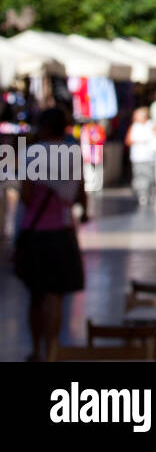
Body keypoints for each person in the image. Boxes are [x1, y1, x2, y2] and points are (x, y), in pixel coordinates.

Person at [13, 107, 86, 361]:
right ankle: (53, 351)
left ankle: (36, 349)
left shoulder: (31, 154)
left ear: (44, 127)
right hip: (63, 231)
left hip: (35, 233)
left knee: (36, 295)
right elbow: (81, 193)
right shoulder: (72, 155)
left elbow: (26, 196)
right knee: (55, 295)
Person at [125, 107, 156, 207]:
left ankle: (150, 192)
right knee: (139, 176)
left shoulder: (151, 125)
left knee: (149, 176)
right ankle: (142, 194)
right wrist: (138, 141)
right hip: (137, 157)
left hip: (149, 156)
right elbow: (128, 141)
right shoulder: (134, 126)